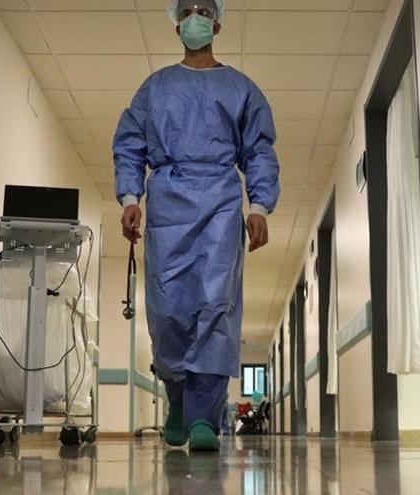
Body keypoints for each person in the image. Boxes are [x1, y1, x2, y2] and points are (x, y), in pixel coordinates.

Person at [113, 0, 280, 452]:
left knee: (215, 304)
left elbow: (259, 150)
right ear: (176, 24)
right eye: (186, 10)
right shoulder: (155, 89)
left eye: (204, 9)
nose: (195, 17)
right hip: (167, 201)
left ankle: (204, 417)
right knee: (168, 310)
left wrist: (259, 205)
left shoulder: (240, 88)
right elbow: (129, 145)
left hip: (222, 205)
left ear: (218, 23)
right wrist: (131, 197)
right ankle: (178, 403)